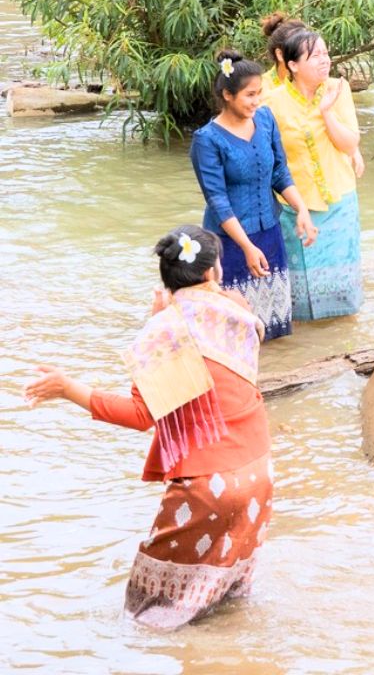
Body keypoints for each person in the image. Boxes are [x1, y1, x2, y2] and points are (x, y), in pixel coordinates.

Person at [25, 226, 275, 628]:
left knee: (148, 616)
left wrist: (69, 388)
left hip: (208, 484)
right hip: (259, 472)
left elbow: (141, 415)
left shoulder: (164, 332)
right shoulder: (240, 313)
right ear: (212, 273)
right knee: (225, 601)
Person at [189, 52, 315, 340]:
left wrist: (301, 209)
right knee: (234, 328)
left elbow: (280, 171)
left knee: (272, 323)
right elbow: (217, 200)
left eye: (259, 93)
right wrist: (246, 247)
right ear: (227, 95)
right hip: (230, 243)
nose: (257, 101)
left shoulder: (266, 119)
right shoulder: (207, 140)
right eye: (250, 95)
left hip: (269, 233)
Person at [261, 15, 364, 322]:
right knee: (301, 297)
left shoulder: (338, 89)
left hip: (340, 199)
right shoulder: (271, 101)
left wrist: (326, 113)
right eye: (315, 56)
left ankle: (342, 342)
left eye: (326, 54)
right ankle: (307, 349)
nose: (325, 61)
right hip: (296, 206)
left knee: (343, 296)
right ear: (292, 64)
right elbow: (268, 159)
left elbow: (349, 143)